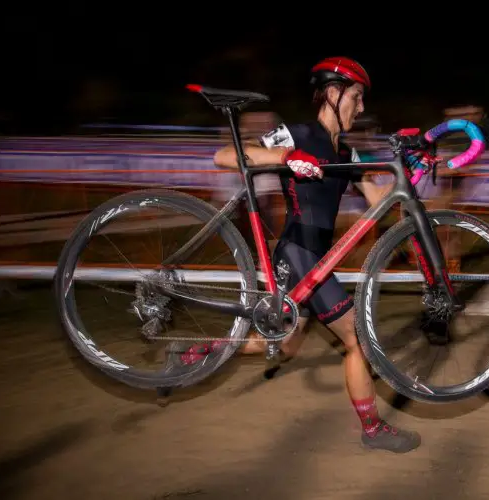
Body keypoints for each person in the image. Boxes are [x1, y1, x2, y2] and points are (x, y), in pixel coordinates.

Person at [167, 57, 422, 454]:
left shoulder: (347, 153)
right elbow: (226, 156)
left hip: (315, 261)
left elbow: (381, 201)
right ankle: (372, 430)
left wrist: (410, 176)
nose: (361, 106)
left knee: (282, 347)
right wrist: (287, 158)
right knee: (357, 340)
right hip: (299, 253)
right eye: (356, 96)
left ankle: (193, 352)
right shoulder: (296, 133)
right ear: (334, 93)